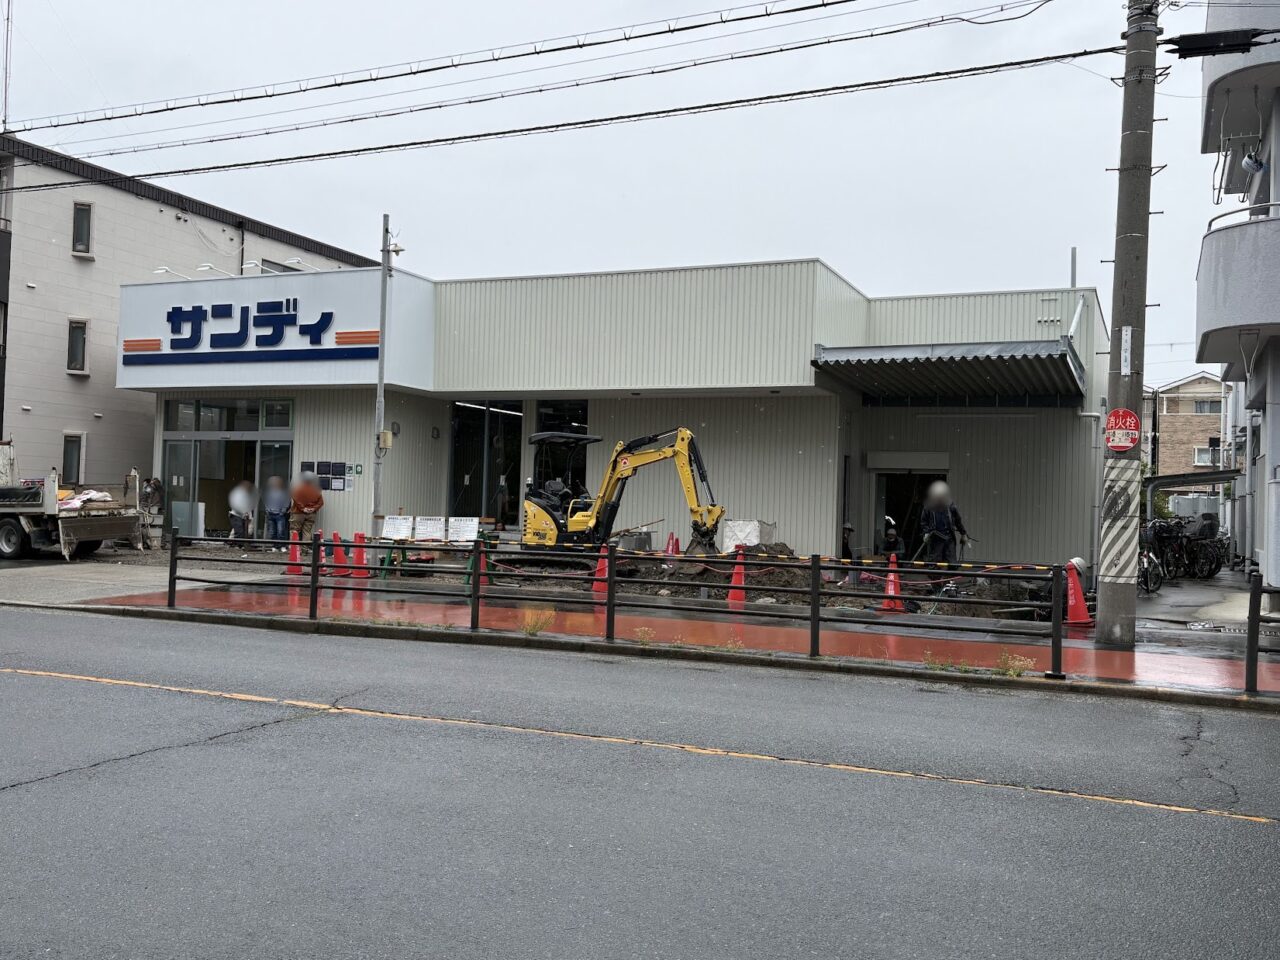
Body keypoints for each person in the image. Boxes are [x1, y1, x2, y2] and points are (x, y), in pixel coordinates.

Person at [920, 480, 967, 565]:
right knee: (934, 562)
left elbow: (958, 521)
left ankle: (951, 577)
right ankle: (935, 577)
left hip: (949, 537)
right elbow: (923, 521)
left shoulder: (951, 506)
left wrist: (963, 533)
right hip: (935, 537)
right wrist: (926, 532)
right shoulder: (929, 506)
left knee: (952, 562)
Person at [289, 471, 324, 542]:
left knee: (294, 531)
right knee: (307, 531)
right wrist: (313, 508)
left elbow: (296, 499)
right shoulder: (316, 490)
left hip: (298, 513)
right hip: (311, 514)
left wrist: (303, 508)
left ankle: (294, 550)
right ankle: (305, 550)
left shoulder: (299, 489)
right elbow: (321, 502)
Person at [262, 476, 291, 551]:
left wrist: (283, 511)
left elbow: (286, 502)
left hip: (279, 514)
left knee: (281, 531)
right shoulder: (269, 493)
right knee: (272, 532)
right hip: (271, 514)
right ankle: (275, 546)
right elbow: (266, 502)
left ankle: (282, 546)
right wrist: (267, 510)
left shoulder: (283, 493)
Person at [228, 480, 256, 547]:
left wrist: (249, 516)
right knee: (239, 530)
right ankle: (238, 545)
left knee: (241, 530)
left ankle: (236, 543)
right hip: (237, 515)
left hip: (243, 516)